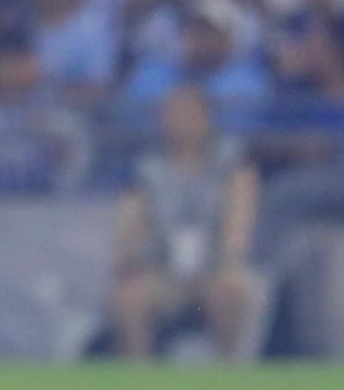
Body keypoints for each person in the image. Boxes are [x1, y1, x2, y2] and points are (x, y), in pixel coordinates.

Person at [108, 86, 262, 360]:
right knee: (130, 297)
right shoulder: (148, 169)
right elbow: (133, 223)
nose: (182, 122)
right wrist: (129, 256)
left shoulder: (232, 164)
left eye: (189, 114)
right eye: (174, 114)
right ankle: (137, 373)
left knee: (231, 291)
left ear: (206, 117)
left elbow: (239, 219)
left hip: (214, 268)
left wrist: (231, 259)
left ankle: (226, 369)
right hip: (163, 270)